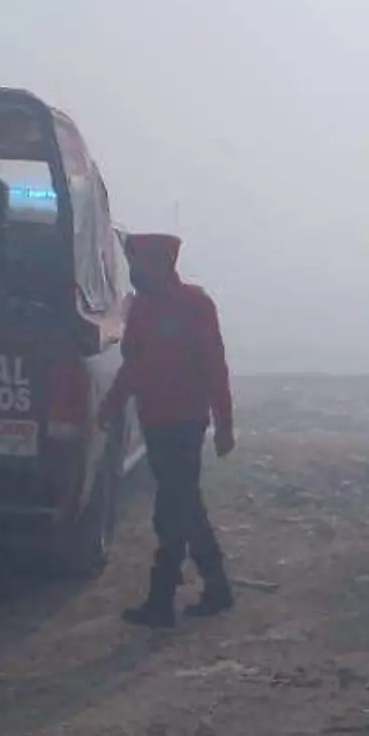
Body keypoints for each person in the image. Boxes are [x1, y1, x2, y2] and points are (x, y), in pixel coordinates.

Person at [100, 233, 236, 628]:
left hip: (185, 421)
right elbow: (132, 366)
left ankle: (164, 598)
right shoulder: (141, 308)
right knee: (181, 504)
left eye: (139, 264)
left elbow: (215, 366)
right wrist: (109, 407)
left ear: (161, 263)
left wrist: (224, 423)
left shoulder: (195, 305)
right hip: (155, 422)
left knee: (177, 506)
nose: (134, 272)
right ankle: (214, 587)